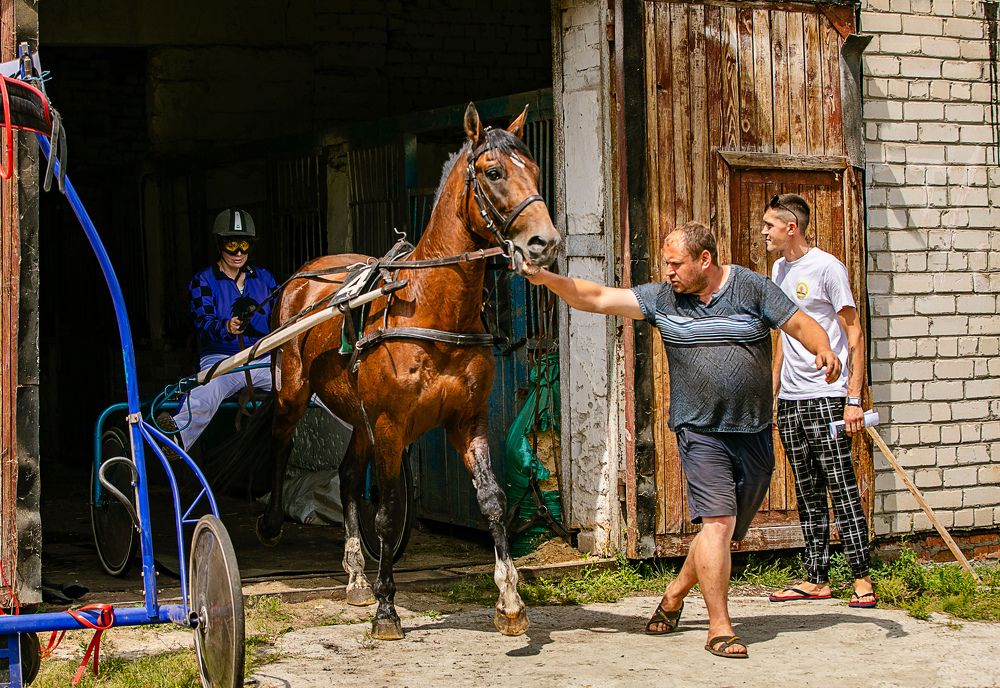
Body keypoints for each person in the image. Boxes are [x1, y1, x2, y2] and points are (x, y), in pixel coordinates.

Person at [524, 221, 841, 659]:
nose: (668, 272)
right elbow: (596, 297)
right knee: (717, 523)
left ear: (704, 260)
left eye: (675, 264)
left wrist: (823, 348)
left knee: (722, 534)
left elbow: (801, 323)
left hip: (752, 433)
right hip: (699, 431)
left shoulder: (751, 288)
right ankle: (720, 627)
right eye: (665, 264)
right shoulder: (662, 299)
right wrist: (545, 278)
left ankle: (674, 593)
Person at [762, 193, 875, 609]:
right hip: (792, 399)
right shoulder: (778, 269)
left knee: (841, 486)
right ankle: (816, 577)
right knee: (807, 488)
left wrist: (853, 398)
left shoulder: (828, 267)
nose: (764, 233)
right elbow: (783, 333)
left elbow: (853, 332)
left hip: (828, 396)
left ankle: (861, 576)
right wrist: (774, 393)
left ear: (792, 228)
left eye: (770, 226)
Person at [157, 208, 278, 456]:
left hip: (263, 358)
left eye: (243, 245)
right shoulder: (202, 281)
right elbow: (203, 322)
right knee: (208, 390)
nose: (238, 253)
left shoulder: (265, 278)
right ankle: (175, 437)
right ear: (219, 244)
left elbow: (280, 315)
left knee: (305, 382)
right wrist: (226, 327)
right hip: (221, 359)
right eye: (231, 244)